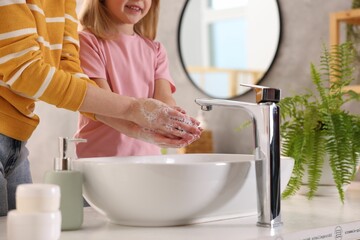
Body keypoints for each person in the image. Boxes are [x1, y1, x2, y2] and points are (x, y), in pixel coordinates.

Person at [0, 0, 201, 216]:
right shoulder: (91, 41)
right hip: (97, 164)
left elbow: (71, 72)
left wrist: (152, 125)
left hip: (16, 139)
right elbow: (24, 69)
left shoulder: (154, 49)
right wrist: (133, 109)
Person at [74, 0, 190, 157]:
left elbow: (164, 98)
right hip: (102, 157)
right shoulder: (88, 42)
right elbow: (101, 104)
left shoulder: (155, 50)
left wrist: (174, 119)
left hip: (148, 157)